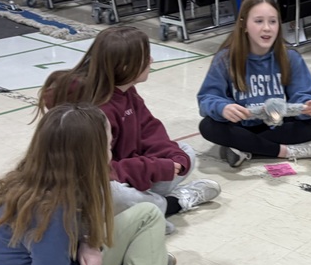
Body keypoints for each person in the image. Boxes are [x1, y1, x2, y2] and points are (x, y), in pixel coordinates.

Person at [0, 104, 171, 265]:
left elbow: (82, 226)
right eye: (107, 143)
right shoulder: (47, 209)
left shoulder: (56, 178)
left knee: (148, 213)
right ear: (88, 153)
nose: (111, 149)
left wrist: (88, 243)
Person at [40, 25, 220, 235]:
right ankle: (170, 205)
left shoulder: (125, 91)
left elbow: (149, 129)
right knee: (116, 194)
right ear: (125, 67)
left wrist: (172, 159)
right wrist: (154, 167)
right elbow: (99, 172)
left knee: (185, 151)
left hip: (127, 173)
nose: (151, 61)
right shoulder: (93, 110)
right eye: (145, 57)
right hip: (95, 186)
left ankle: (146, 210)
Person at [197, 0, 311, 167]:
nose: (267, 28)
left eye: (272, 21)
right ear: (244, 25)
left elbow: (303, 95)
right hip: (241, 126)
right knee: (208, 126)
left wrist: (309, 107)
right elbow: (207, 99)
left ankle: (243, 148)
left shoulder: (290, 57)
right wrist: (223, 108)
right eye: (259, 21)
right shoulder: (225, 58)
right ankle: (286, 151)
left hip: (276, 124)